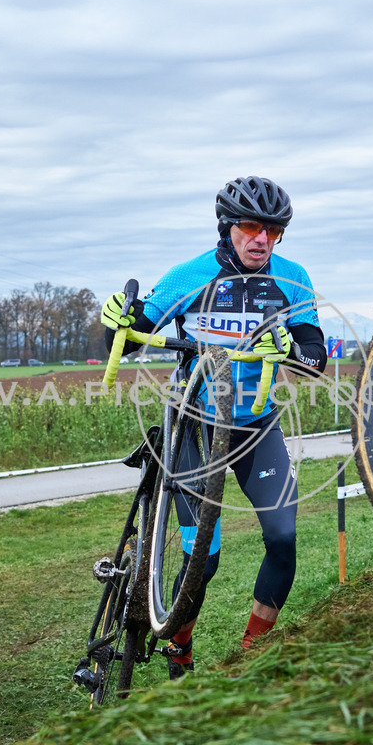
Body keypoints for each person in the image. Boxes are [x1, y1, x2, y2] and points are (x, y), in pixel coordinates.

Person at [101, 176, 327, 678]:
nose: (261, 239)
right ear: (228, 228)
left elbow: (316, 356)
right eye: (251, 227)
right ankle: (179, 647)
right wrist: (117, 320)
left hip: (255, 426)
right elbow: (135, 336)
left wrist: (290, 349)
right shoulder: (190, 275)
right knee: (204, 559)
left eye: (274, 231)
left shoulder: (293, 279)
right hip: (194, 429)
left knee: (284, 538)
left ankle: (252, 651)